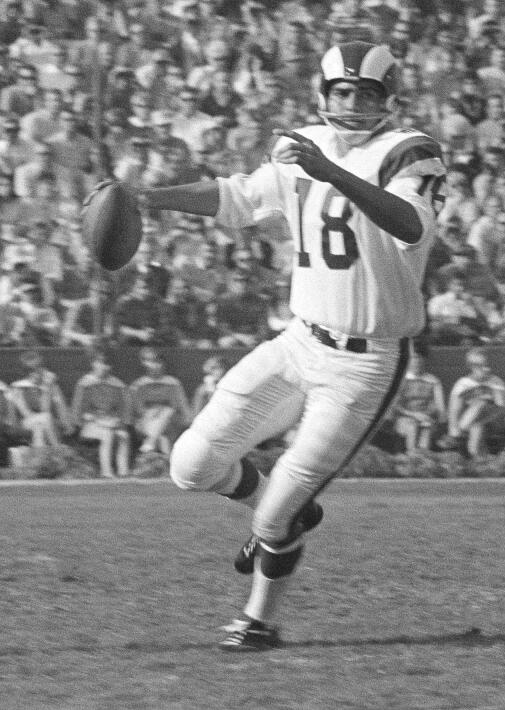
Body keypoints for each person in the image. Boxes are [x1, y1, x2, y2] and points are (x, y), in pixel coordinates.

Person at [123, 42, 445, 651]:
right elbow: (238, 198)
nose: (352, 104)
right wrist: (150, 199)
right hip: (300, 339)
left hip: (365, 361)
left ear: (388, 99)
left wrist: (331, 173)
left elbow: (410, 226)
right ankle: (287, 508)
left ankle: (260, 620)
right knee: (191, 464)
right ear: (323, 96)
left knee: (272, 520)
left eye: (366, 93)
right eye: (342, 92)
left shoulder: (411, 151)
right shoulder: (300, 146)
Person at [71, 351, 131, 479]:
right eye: (100, 363)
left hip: (111, 422)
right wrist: (92, 418)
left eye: (106, 364)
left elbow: (123, 411)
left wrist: (117, 421)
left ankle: (123, 472)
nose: (103, 367)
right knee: (107, 434)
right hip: (89, 426)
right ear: (93, 364)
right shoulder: (84, 384)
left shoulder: (117, 385)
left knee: (123, 435)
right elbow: (77, 413)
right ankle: (106, 472)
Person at [445, 347, 505, 458]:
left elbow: (504, 408)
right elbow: (454, 411)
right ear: (470, 367)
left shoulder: (496, 382)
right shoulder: (463, 383)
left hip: (496, 422)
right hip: (473, 424)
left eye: (486, 364)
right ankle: (480, 462)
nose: (485, 369)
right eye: (479, 366)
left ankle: (455, 435)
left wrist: (492, 391)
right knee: (476, 428)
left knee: (481, 403)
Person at [128, 347, 190, 459]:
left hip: (172, 423)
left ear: (163, 364)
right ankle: (166, 460)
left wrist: (161, 411)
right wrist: (154, 412)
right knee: (162, 436)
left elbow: (179, 406)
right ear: (144, 364)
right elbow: (139, 411)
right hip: (146, 423)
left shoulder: (173, 383)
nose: (155, 366)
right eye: (150, 362)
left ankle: (150, 443)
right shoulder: (138, 385)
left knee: (168, 411)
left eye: (157, 362)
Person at [391, 342, 445, 453]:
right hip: (404, 419)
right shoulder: (401, 380)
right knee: (412, 426)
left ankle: (422, 459)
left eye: (420, 359)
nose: (416, 362)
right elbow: (395, 405)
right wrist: (414, 415)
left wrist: (429, 414)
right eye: (413, 358)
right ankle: (412, 457)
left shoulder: (433, 381)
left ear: (424, 360)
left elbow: (440, 406)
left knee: (427, 428)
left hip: (426, 418)